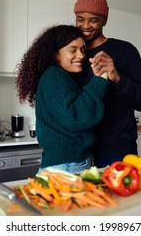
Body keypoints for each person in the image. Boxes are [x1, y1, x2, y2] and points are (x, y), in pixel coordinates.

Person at [74, 0, 141, 168]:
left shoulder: (124, 50)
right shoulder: (74, 55)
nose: (85, 25)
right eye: (80, 19)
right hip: (80, 153)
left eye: (93, 20)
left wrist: (118, 78)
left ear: (105, 21)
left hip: (116, 151)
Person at [15, 25, 109, 173]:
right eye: (73, 50)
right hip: (69, 165)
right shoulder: (55, 76)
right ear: (54, 54)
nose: (81, 55)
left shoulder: (58, 76)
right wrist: (100, 80)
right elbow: (76, 117)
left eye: (82, 50)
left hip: (66, 164)